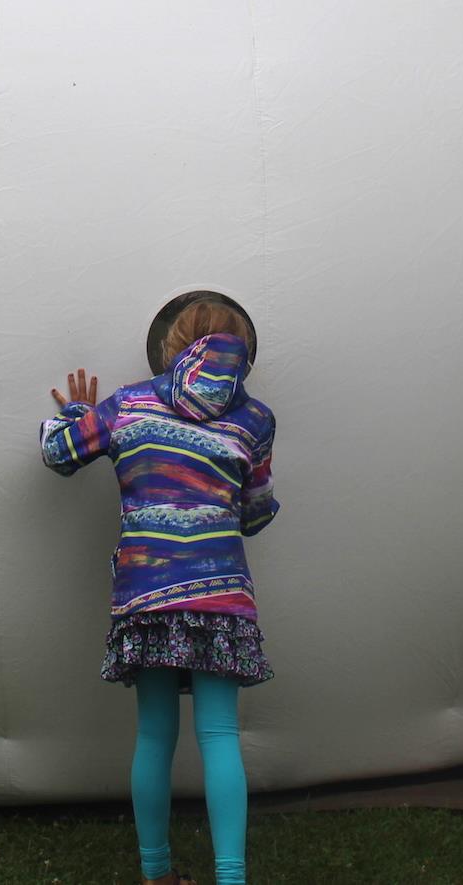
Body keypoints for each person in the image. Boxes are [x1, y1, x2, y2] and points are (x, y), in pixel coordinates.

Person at [41, 299, 278, 885]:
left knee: (155, 733)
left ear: (170, 346)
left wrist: (77, 411)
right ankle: (231, 878)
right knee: (220, 734)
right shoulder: (255, 419)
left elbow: (57, 452)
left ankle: (157, 874)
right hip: (222, 596)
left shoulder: (129, 404)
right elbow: (254, 513)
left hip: (147, 596)